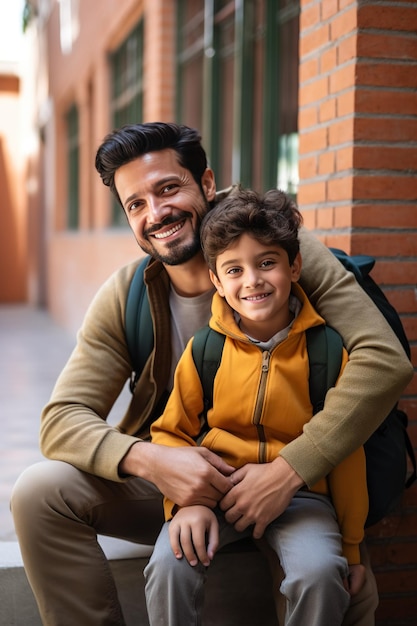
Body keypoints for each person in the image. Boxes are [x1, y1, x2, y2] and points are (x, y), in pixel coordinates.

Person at [10, 122, 412, 626]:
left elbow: (383, 359)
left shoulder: (276, 248)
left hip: (301, 479)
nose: (156, 214)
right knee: (37, 492)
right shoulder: (126, 294)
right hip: (185, 479)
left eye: (168, 188)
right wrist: (153, 462)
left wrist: (289, 472)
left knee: (339, 589)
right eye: (135, 204)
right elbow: (62, 419)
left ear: (206, 184)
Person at [145, 187, 368, 625]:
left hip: (302, 496)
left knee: (321, 574)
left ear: (294, 265)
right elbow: (171, 433)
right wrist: (183, 506)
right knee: (169, 565)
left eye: (267, 262)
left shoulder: (326, 350)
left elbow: (345, 452)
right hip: (214, 492)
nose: (253, 281)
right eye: (234, 269)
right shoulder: (204, 350)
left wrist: (353, 547)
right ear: (216, 281)